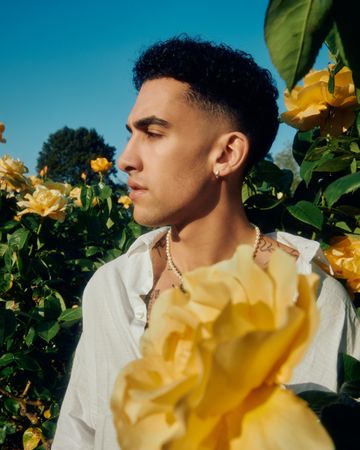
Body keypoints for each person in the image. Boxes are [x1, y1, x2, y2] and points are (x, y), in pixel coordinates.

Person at [52, 36, 360, 449]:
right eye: (131, 133)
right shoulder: (111, 288)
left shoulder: (313, 299)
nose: (126, 158)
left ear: (227, 154)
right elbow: (79, 432)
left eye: (154, 133)